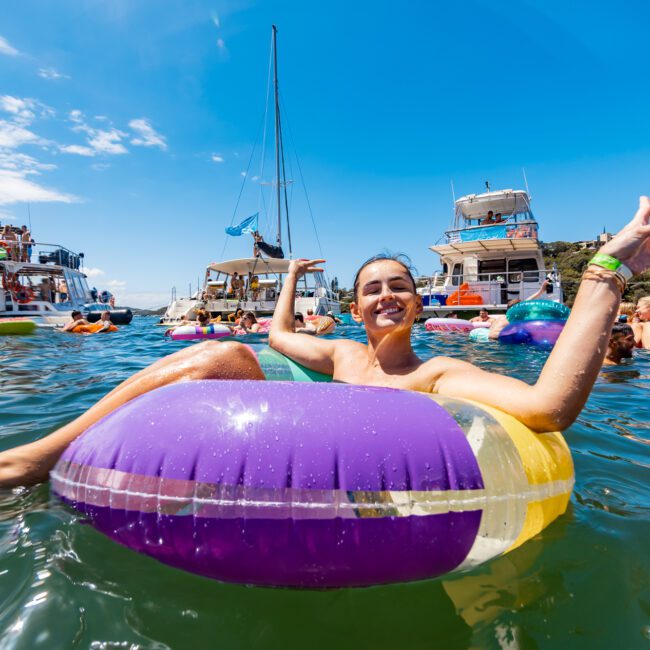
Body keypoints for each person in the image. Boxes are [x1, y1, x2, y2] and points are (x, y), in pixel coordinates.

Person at [1, 196, 649, 488]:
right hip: (272, 463)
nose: (386, 294)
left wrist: (607, 270)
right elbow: (279, 335)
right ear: (357, 308)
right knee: (234, 355)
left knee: (229, 356)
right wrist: (288, 278)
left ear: (419, 304)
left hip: (372, 493)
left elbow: (547, 408)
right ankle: (46, 455)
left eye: (400, 285)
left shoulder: (437, 373)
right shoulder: (344, 355)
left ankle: (36, 460)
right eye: (371, 289)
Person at [487, 280, 551, 340]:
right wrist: (513, 334)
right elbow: (492, 335)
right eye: (520, 310)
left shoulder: (507, 317)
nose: (522, 311)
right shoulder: (506, 321)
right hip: (496, 345)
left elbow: (526, 302)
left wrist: (541, 291)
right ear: (515, 311)